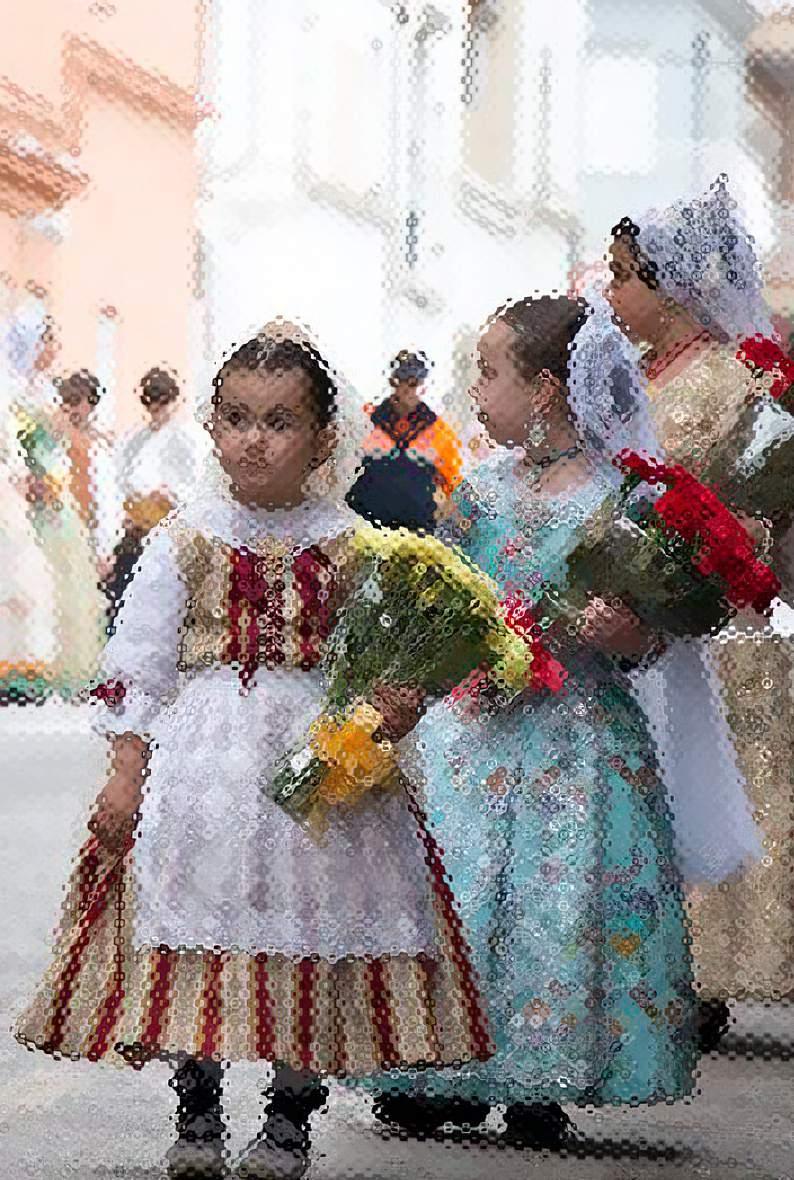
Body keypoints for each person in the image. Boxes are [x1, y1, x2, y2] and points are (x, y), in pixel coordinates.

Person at [15, 325, 503, 1180]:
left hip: (318, 765)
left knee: (313, 920)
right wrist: (126, 774)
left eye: (279, 422)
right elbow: (140, 665)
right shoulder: (186, 538)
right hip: (203, 769)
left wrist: (396, 704)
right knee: (193, 916)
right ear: (212, 428)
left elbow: (381, 655)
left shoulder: (353, 542)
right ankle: (197, 1104)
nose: (255, 439)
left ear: (321, 437)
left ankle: (289, 1115)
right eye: (237, 418)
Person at [371, 296, 698, 1147]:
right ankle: (445, 1066)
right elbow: (440, 601)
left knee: (558, 898)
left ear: (546, 387)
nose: (476, 392)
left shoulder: (620, 497)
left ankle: (543, 1071)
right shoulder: (478, 490)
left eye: (489, 373)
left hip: (575, 735)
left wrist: (625, 632)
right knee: (465, 889)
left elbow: (653, 635)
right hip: (478, 728)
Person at [601, 177, 793, 1035]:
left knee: (700, 783)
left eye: (623, 275)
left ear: (671, 286)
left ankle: (703, 970)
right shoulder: (623, 376)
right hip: (622, 614)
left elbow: (750, 500)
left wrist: (699, 561)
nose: (611, 292)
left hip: (703, 620)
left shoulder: (731, 382)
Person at [10, 337, 108, 696]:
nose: (69, 408)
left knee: (72, 596)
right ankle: (38, 670)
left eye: (74, 402)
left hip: (64, 519)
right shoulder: (35, 417)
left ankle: (73, 675)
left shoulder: (79, 437)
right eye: (66, 401)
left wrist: (98, 539)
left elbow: (88, 490)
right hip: (40, 517)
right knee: (43, 593)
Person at [108, 367, 203, 620]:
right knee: (126, 598)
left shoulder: (185, 438)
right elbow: (121, 481)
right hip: (138, 527)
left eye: (162, 405)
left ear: (174, 401)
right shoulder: (135, 439)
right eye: (153, 406)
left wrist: (170, 494)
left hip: (170, 529)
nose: (158, 412)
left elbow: (195, 486)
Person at [346, 349, 462, 531]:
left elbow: (454, 486)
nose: (408, 389)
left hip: (414, 533)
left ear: (424, 385)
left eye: (414, 382)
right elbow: (342, 467)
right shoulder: (367, 420)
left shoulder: (439, 432)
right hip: (361, 525)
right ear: (393, 381)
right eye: (402, 380)